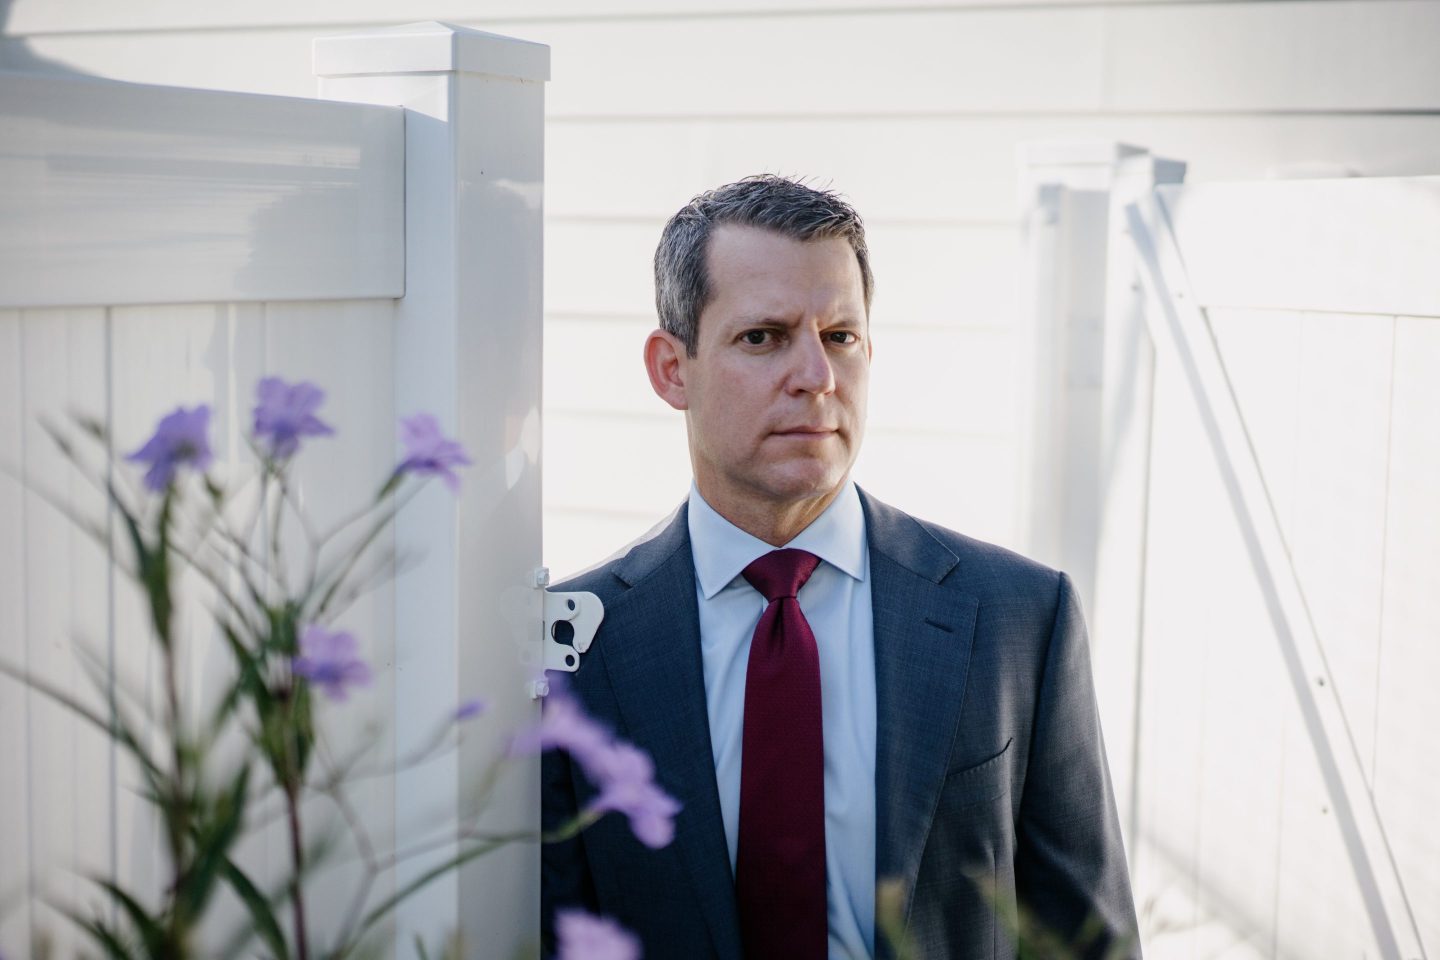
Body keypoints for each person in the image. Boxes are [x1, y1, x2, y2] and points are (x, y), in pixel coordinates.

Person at [541, 175, 1139, 959]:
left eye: (840, 337)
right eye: (764, 337)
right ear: (670, 368)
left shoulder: (1020, 617)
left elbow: (1084, 940)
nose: (816, 377)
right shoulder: (574, 646)